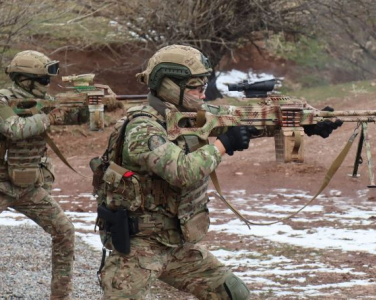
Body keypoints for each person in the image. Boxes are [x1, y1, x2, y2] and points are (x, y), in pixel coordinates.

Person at [92, 45, 342, 300]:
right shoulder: (142, 128)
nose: (203, 94)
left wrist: (303, 122)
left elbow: (247, 119)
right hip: (138, 248)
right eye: (196, 87)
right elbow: (182, 171)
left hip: (176, 244)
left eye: (204, 87)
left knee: (234, 294)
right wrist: (223, 145)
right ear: (168, 86)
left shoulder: (186, 116)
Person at [0, 50, 83, 300]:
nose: (48, 85)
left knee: (64, 231)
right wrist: (49, 117)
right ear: (25, 80)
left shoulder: (43, 103)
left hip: (28, 186)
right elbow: (15, 129)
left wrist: (89, 106)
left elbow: (78, 119)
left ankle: (61, 295)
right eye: (44, 80)